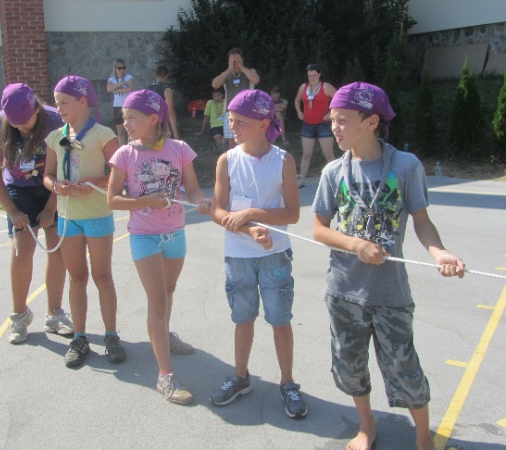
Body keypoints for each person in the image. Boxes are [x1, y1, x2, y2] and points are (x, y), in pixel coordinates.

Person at [312, 82, 465, 450]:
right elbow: (318, 229)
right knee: (350, 365)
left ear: (371, 122)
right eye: (332, 120)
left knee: (404, 367)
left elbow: (422, 221)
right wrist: (355, 244)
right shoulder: (333, 171)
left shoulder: (406, 166)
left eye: (343, 120)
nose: (334, 128)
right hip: (343, 290)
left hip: (390, 293)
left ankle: (423, 436)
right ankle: (367, 425)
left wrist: (440, 253)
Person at [107, 89, 212, 405]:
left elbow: (193, 189)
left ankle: (164, 335)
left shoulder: (179, 149)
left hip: (175, 233)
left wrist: (202, 201)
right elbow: (112, 199)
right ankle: (165, 375)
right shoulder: (124, 155)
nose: (126, 124)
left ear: (153, 119)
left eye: (132, 118)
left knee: (168, 291)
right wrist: (145, 201)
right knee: (156, 300)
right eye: (124, 118)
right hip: (144, 236)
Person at [210, 89, 307, 419]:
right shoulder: (227, 160)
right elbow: (219, 212)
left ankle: (288, 383)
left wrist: (252, 213)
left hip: (275, 254)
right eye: (230, 120)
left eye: (240, 121)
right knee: (243, 318)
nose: (232, 127)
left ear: (264, 123)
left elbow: (292, 213)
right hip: (238, 255)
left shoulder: (283, 160)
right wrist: (250, 230)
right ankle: (241, 377)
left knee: (280, 319)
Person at [44, 75, 126, 368]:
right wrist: (57, 186)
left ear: (82, 102)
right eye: (56, 103)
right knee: (76, 278)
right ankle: (79, 337)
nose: (58, 108)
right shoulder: (56, 136)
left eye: (63, 102)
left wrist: (95, 182)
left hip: (97, 216)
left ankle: (111, 335)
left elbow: (119, 173)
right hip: (69, 218)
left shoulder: (103, 134)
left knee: (103, 277)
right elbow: (48, 175)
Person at [0, 83, 73, 345]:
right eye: (15, 124)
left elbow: (68, 166)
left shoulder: (56, 121)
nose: (21, 128)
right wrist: (12, 211)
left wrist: (51, 207)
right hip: (19, 189)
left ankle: (55, 313)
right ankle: (19, 315)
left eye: (25, 122)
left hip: (53, 187)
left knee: (57, 249)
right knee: (21, 251)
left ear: (36, 108)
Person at [294, 63, 337, 188]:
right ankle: (302, 180)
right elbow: (297, 100)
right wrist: (299, 111)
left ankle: (336, 180)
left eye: (314, 75)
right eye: (310, 76)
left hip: (323, 124)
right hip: (307, 124)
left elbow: (339, 100)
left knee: (329, 155)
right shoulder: (304, 87)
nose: (312, 78)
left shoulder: (326, 87)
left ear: (319, 74)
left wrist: (331, 113)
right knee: (306, 154)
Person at [212, 47, 260, 150]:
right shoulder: (226, 74)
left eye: (237, 60)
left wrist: (241, 66)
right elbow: (215, 84)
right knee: (232, 143)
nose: (235, 63)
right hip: (230, 113)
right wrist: (229, 69)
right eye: (232, 60)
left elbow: (256, 80)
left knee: (246, 142)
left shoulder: (250, 71)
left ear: (242, 59)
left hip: (247, 112)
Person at [145, 65, 180, 139]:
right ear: (166, 77)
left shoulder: (146, 88)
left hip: (147, 123)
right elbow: (170, 111)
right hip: (160, 123)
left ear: (155, 75)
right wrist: (175, 132)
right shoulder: (166, 89)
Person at [107, 58, 133, 145]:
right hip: (117, 106)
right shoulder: (111, 79)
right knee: (120, 133)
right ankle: (122, 149)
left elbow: (129, 88)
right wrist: (119, 84)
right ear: (115, 69)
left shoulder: (128, 77)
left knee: (130, 131)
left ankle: (131, 148)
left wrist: (118, 90)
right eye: (119, 68)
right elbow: (109, 89)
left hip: (127, 106)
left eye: (123, 68)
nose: (121, 70)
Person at [196, 87, 225, 151]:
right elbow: (206, 117)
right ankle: (219, 147)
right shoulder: (210, 103)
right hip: (215, 127)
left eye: (218, 95)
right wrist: (202, 131)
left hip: (225, 125)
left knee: (225, 137)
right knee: (218, 137)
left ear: (222, 95)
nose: (216, 98)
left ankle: (222, 148)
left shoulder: (226, 101)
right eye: (214, 96)